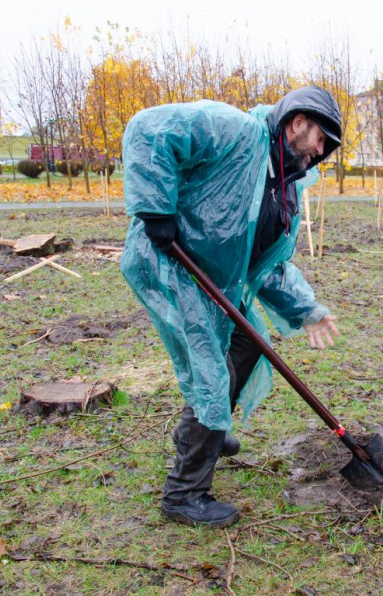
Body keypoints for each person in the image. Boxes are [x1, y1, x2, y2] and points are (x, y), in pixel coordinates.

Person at [121, 86, 342, 527]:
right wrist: (156, 210)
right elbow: (149, 129)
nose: (321, 153)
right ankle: (184, 493)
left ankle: (203, 432)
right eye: (321, 139)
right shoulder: (236, 131)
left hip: (218, 280)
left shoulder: (285, 189)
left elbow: (268, 266)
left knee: (249, 341)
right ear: (297, 122)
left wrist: (307, 309)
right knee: (210, 373)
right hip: (174, 266)